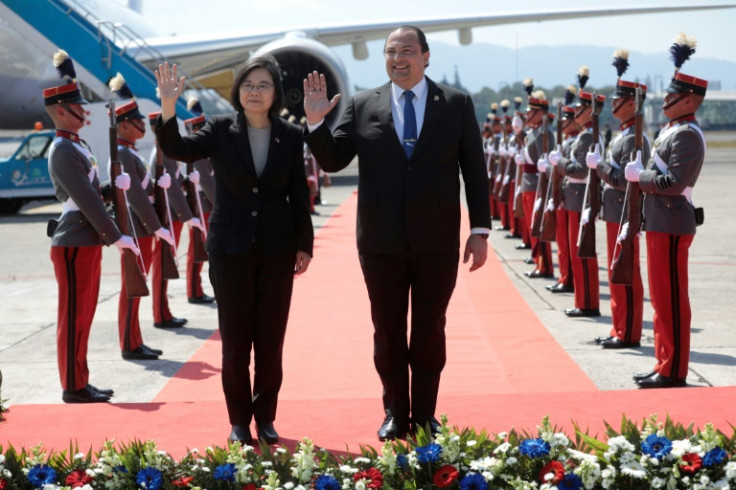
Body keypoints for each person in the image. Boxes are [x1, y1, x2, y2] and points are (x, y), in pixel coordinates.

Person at [302, 25, 491, 441]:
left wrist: (480, 229)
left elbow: (474, 170)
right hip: (380, 241)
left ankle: (424, 415)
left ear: (426, 56)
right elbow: (333, 161)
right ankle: (393, 412)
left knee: (429, 329)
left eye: (407, 50)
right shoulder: (363, 104)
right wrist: (316, 124)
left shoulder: (455, 104)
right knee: (387, 331)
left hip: (437, 240)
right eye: (391, 52)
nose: (398, 58)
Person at [154, 55, 314, 444]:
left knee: (270, 341)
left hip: (277, 249)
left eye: (263, 85)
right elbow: (177, 148)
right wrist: (168, 106)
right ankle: (239, 421)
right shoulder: (221, 129)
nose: (254, 92)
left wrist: (303, 245)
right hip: (230, 250)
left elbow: (298, 193)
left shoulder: (290, 136)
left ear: (275, 93)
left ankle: (267, 417)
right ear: (237, 90)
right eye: (248, 85)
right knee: (236, 340)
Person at [44, 50, 138, 402]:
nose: (85, 111)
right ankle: (72, 384)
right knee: (73, 317)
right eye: (78, 107)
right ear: (60, 111)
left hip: (86, 240)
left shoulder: (76, 145)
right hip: (74, 240)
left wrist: (115, 189)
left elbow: (92, 192)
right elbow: (85, 200)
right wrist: (117, 236)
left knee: (84, 314)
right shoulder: (62, 150)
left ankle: (80, 378)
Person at [626, 34, 706, 388]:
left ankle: (674, 369)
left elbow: (673, 182)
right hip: (660, 222)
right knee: (659, 296)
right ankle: (663, 362)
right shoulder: (672, 130)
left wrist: (640, 177)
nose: (664, 101)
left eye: (671, 96)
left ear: (689, 99)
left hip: (673, 223)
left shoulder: (687, 135)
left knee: (672, 298)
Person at [588, 50, 651, 349]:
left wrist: (598, 166)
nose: (612, 104)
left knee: (626, 271)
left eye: (617, 100)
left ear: (631, 104)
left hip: (625, 211)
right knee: (617, 270)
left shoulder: (634, 138)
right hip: (614, 211)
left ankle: (628, 331)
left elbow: (622, 180)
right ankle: (618, 327)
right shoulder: (623, 135)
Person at [108, 73, 173, 360]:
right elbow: (135, 197)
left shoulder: (130, 153)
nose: (142, 125)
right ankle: (129, 343)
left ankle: (135, 339)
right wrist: (157, 227)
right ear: (123, 125)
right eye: (136, 121)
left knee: (137, 286)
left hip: (142, 228)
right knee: (132, 286)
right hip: (137, 228)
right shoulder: (123, 155)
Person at [550, 66, 604, 318]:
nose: (574, 115)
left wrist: (559, 163)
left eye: (579, 111)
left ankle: (587, 302)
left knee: (581, 252)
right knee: (578, 251)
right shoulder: (585, 136)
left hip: (580, 198)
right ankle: (584, 300)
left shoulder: (586, 138)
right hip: (576, 198)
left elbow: (580, 171)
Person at [517, 88, 554, 278]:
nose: (527, 114)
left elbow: (544, 161)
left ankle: (544, 265)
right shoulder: (534, 131)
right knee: (532, 224)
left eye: (530, 111)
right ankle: (537, 261)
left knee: (538, 224)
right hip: (528, 181)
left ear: (540, 113)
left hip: (538, 183)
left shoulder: (543, 133)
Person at [545, 86, 578, 294]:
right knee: (562, 241)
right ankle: (564, 275)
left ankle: (568, 277)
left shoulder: (576, 140)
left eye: (567, 120)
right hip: (564, 194)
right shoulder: (568, 140)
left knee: (569, 242)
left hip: (572, 195)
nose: (563, 124)